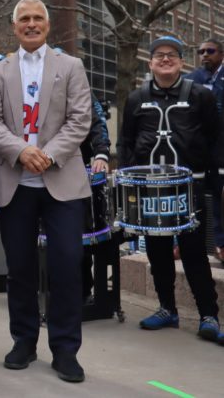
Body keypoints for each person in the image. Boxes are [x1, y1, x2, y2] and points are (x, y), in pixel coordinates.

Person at [0, 0, 91, 383]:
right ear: (14, 27)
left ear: (48, 24)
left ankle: (65, 349)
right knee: (20, 268)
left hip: (62, 182)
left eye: (37, 18)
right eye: (23, 18)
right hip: (15, 183)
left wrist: (48, 155)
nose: (30, 24)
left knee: (67, 265)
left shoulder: (71, 66)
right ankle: (24, 341)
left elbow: (80, 120)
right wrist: (22, 151)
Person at [117, 36, 220, 343]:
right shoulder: (137, 98)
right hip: (151, 189)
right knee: (158, 251)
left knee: (194, 252)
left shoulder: (200, 95)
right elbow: (126, 141)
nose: (165, 59)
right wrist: (127, 179)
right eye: (159, 55)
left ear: (181, 62)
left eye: (172, 54)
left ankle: (209, 315)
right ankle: (167, 309)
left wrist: (214, 180)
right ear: (150, 63)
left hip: (189, 186)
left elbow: (216, 138)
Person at [185, 39, 224, 262]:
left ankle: (221, 243)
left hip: (221, 150)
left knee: (220, 197)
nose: (204, 55)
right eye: (201, 51)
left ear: (221, 54)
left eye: (210, 51)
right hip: (198, 151)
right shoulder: (190, 80)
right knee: (194, 198)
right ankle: (185, 243)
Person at [80, 94, 111, 304]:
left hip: (76, 169)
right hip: (35, 168)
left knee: (81, 237)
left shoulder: (79, 86)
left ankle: (83, 291)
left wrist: (101, 153)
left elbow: (97, 121)